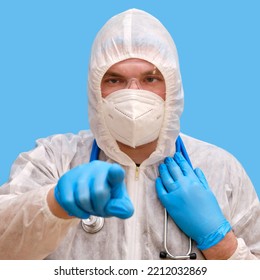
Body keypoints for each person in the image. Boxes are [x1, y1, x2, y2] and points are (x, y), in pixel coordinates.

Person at [0, 8, 259, 260]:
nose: (133, 94)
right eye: (115, 80)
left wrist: (219, 242)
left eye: (150, 79)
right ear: (95, 90)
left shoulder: (221, 170)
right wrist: (53, 205)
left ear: (173, 87)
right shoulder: (53, 160)